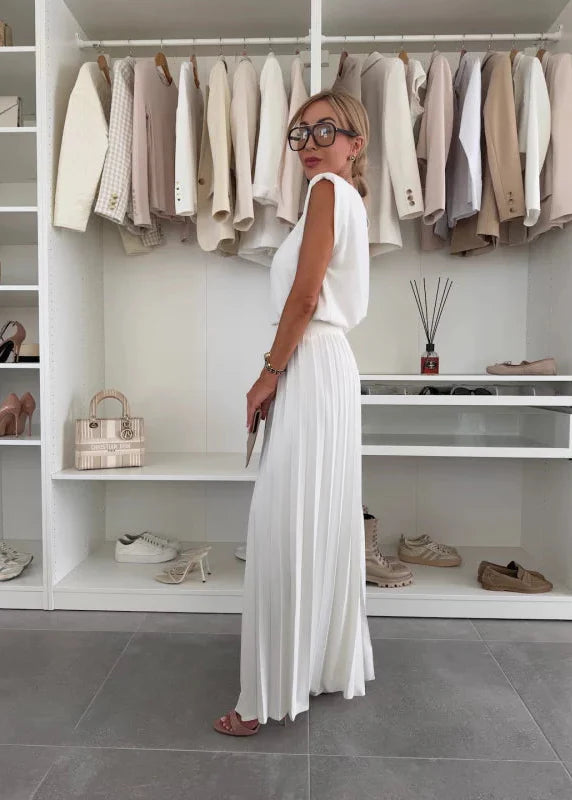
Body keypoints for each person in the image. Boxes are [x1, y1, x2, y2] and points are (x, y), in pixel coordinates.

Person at [214, 88, 375, 736]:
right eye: (300, 133)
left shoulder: (328, 192)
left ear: (355, 143)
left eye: (324, 131)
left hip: (310, 364)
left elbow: (305, 299)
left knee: (284, 524)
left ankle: (262, 699)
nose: (309, 144)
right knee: (316, 518)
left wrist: (268, 374)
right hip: (325, 365)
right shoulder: (346, 198)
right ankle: (316, 669)